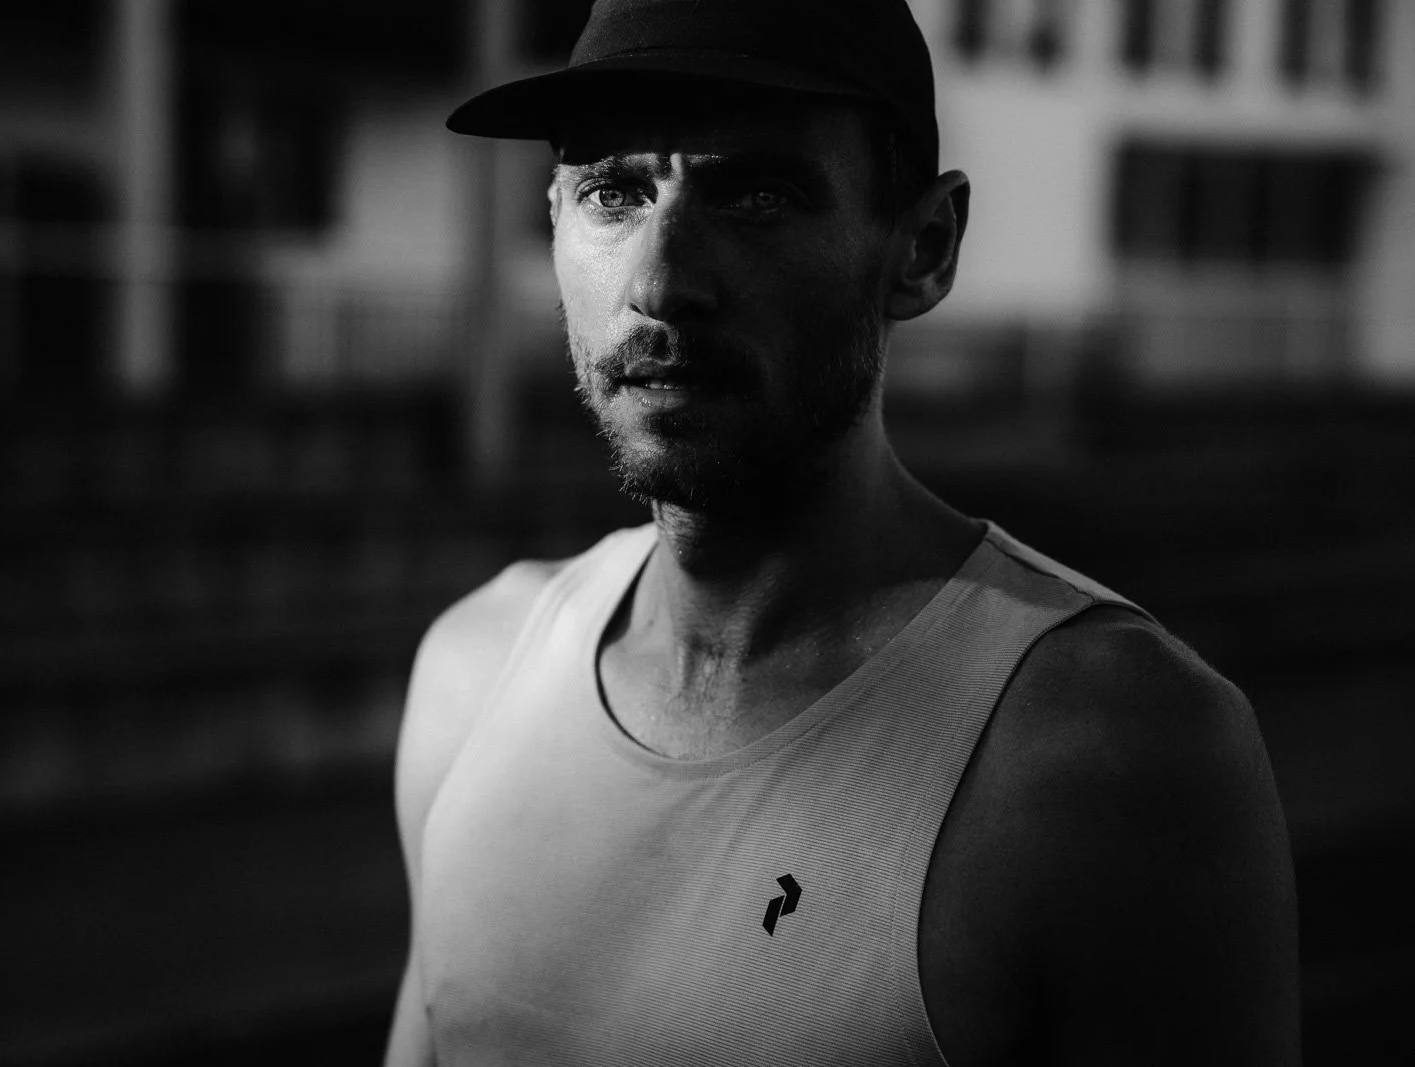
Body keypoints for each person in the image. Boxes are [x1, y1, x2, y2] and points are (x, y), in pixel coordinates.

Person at [384, 1, 1299, 1064]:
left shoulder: (1104, 751)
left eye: (758, 196)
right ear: (551, 218)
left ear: (923, 247)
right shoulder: (474, 671)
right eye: (613, 192)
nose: (659, 283)